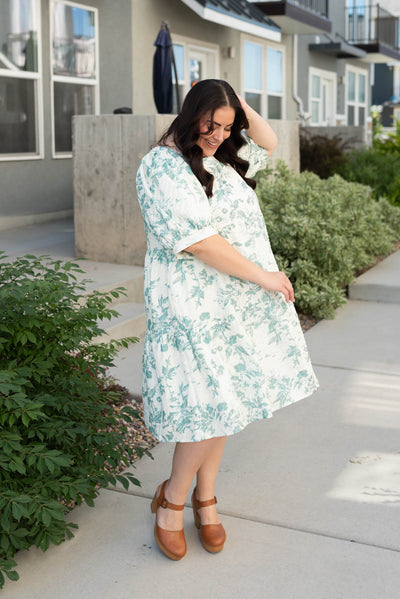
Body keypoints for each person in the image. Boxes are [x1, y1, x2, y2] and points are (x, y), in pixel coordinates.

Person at [136, 79, 318, 561]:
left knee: (226, 399)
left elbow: (269, 142)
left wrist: (236, 103)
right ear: (190, 112)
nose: (218, 134)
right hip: (192, 302)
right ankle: (172, 501)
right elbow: (199, 242)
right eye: (210, 124)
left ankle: (205, 497)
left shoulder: (217, 157)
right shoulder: (162, 165)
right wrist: (266, 277)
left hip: (230, 299)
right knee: (205, 402)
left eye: (226, 126)